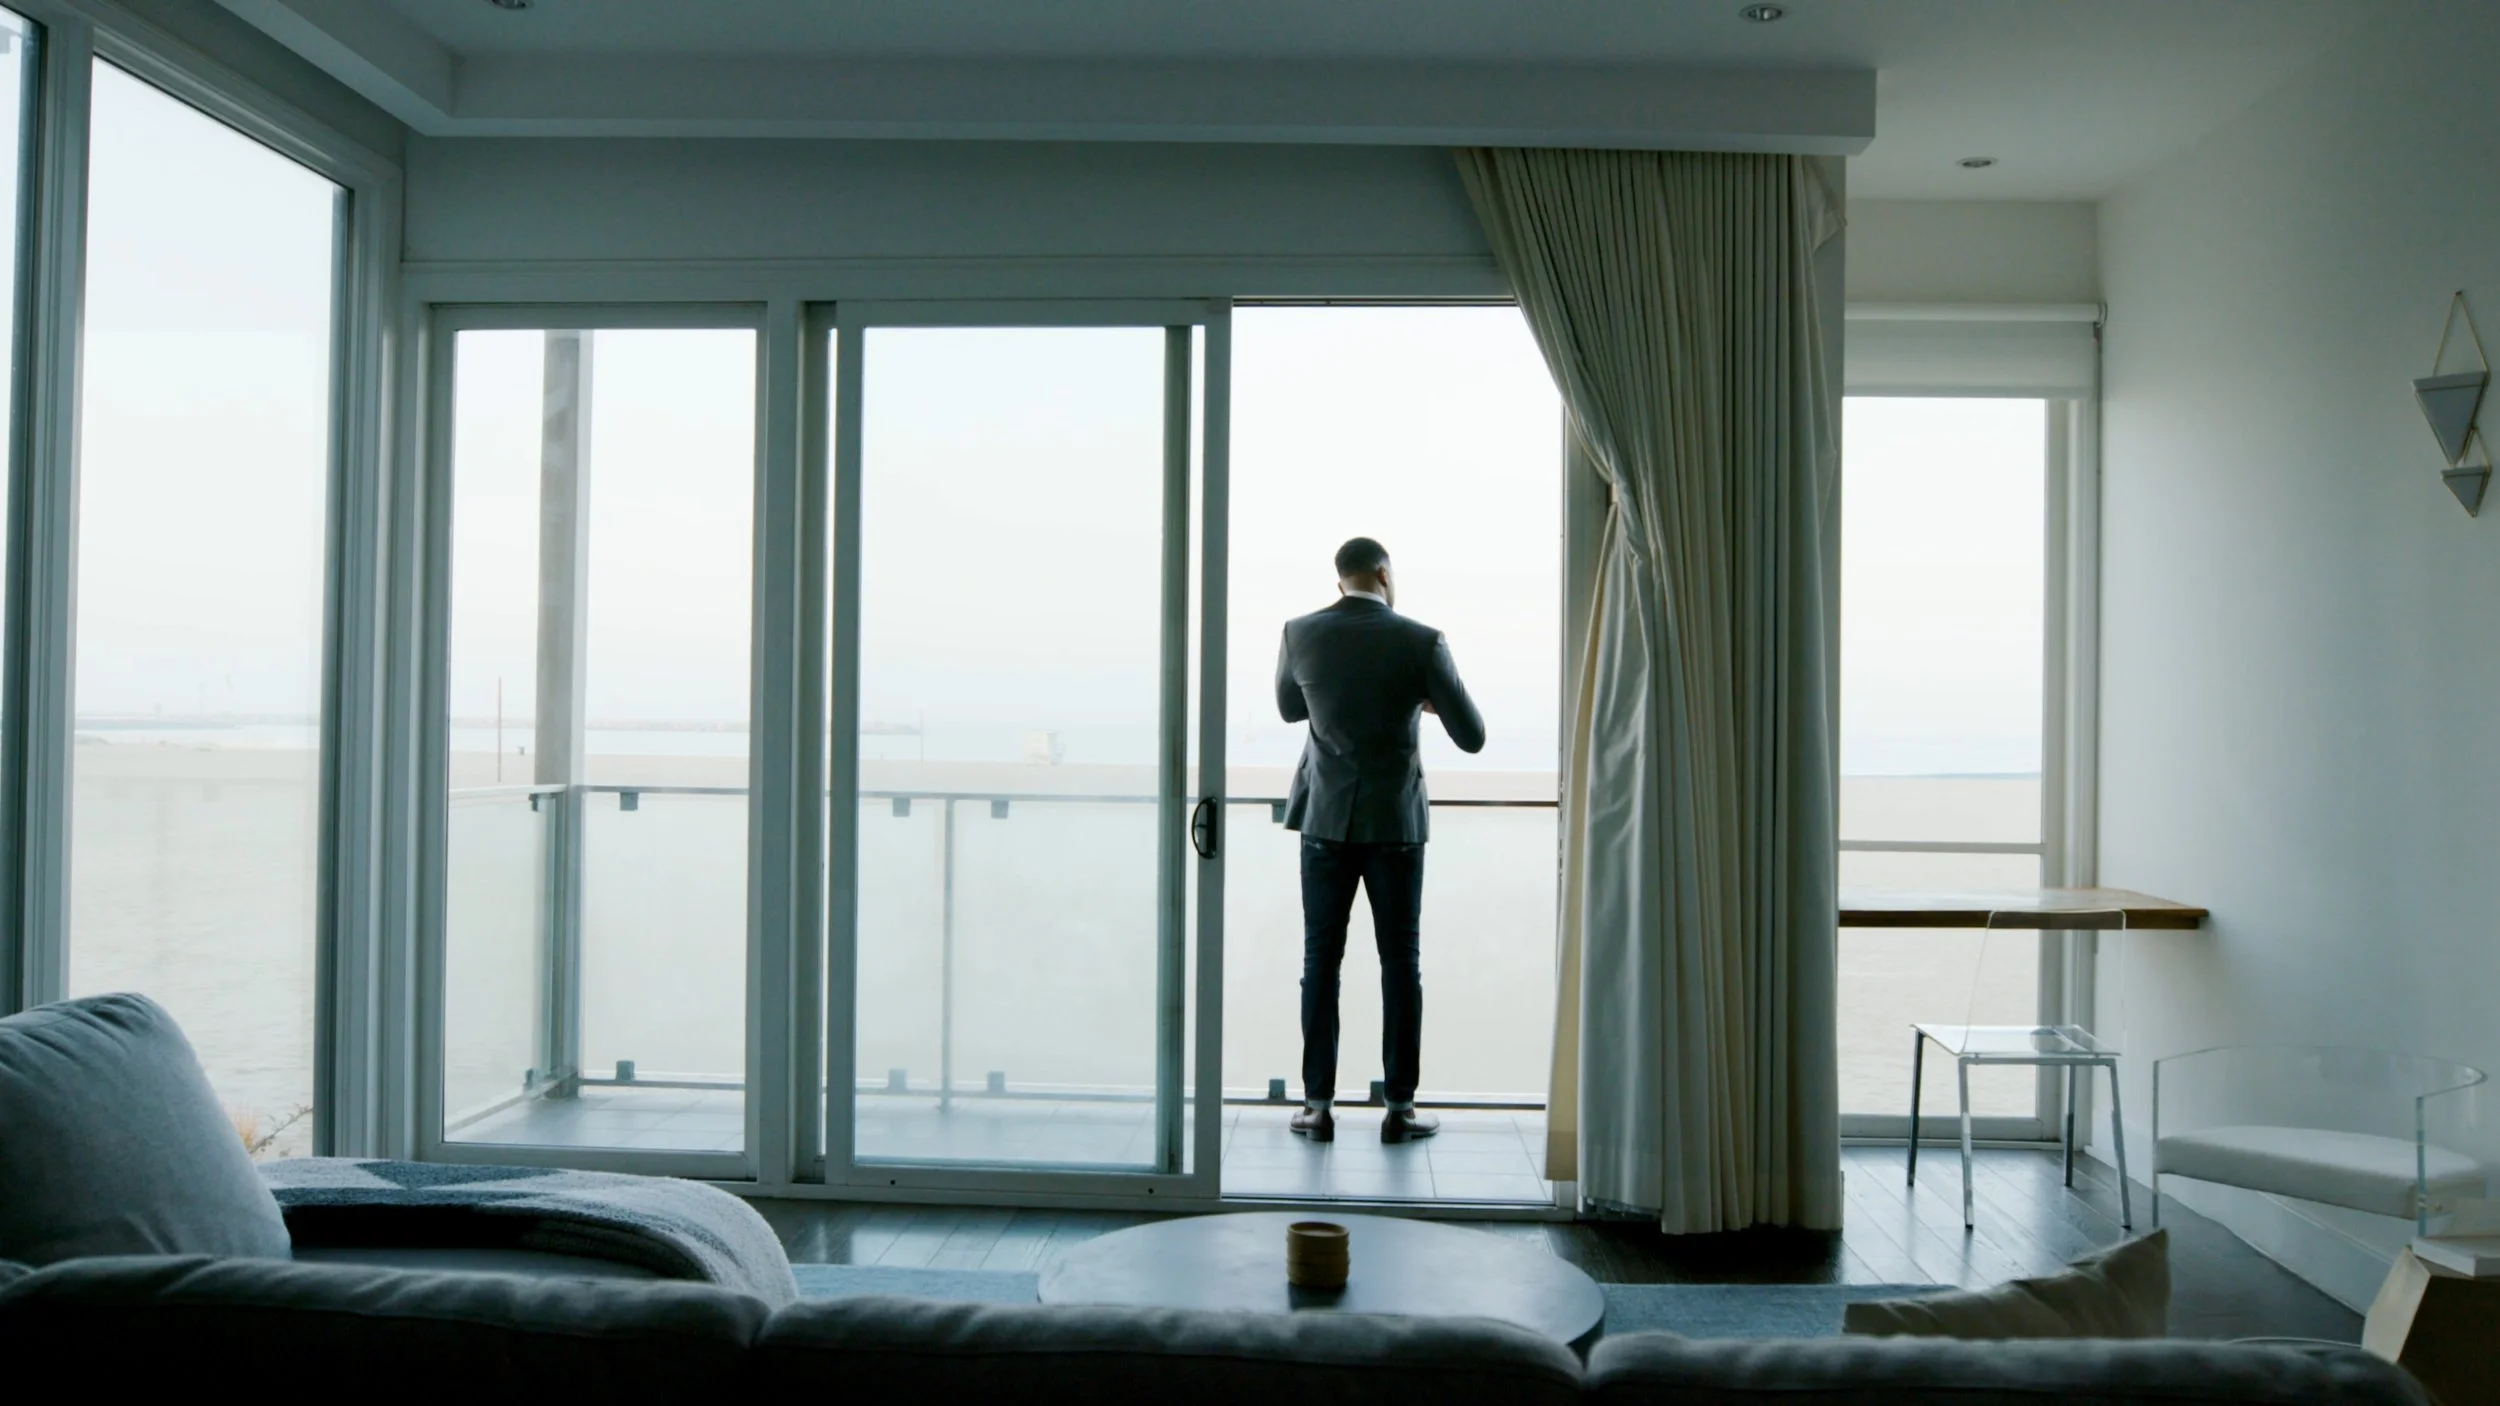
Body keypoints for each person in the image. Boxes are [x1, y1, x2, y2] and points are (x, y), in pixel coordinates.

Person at [1275, 536, 1485, 1144]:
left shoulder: (1299, 632)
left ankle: (1317, 1108)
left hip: (1324, 823)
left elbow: (1292, 709)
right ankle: (1399, 1108)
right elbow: (1472, 735)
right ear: (1386, 575)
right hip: (1395, 827)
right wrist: (1430, 700)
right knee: (1401, 963)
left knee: (1321, 961)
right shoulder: (1423, 640)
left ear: (1340, 579)